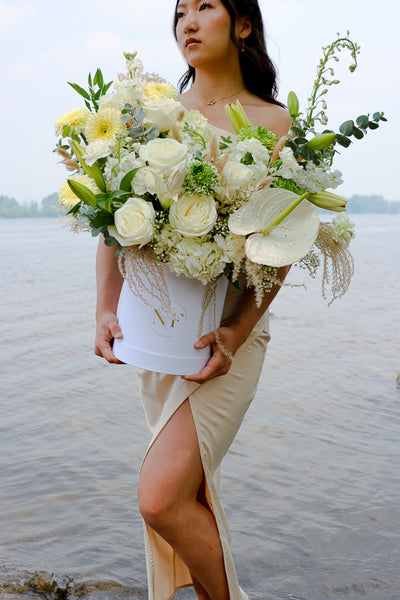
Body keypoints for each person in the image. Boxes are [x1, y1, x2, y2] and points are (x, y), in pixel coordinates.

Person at [95, 1, 292, 599]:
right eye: (180, 9)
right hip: (160, 332)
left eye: (206, 5)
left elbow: (279, 246)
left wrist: (237, 330)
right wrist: (105, 306)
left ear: (243, 24)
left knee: (159, 496)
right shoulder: (149, 115)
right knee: (184, 493)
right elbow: (113, 219)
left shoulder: (275, 123)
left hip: (228, 338)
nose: (188, 19)